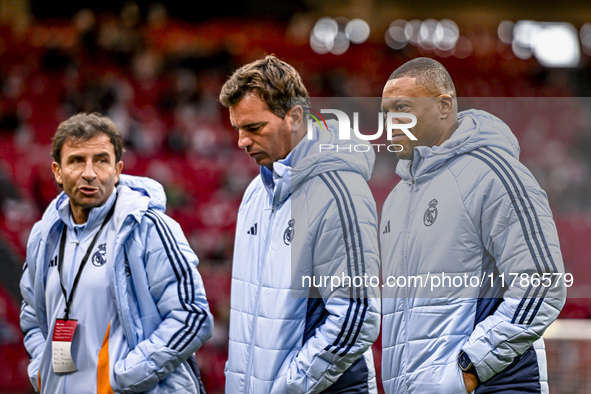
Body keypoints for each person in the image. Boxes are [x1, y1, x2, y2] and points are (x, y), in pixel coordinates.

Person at [379, 57, 566, 394]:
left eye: (403, 108)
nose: (391, 122)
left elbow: (542, 285)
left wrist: (468, 370)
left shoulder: (495, 173)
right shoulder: (396, 199)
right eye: (386, 112)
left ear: (443, 106)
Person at [219, 55, 381, 393]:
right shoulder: (255, 193)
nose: (241, 142)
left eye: (254, 128)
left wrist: (290, 386)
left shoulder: (340, 192)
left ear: (293, 117)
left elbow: (357, 315)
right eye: (238, 129)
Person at [19, 113, 214, 393]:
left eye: (101, 160)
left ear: (118, 169)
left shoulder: (148, 228)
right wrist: (43, 370)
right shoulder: (44, 236)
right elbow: (32, 315)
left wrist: (120, 380)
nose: (90, 172)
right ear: (57, 171)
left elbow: (192, 316)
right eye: (76, 160)